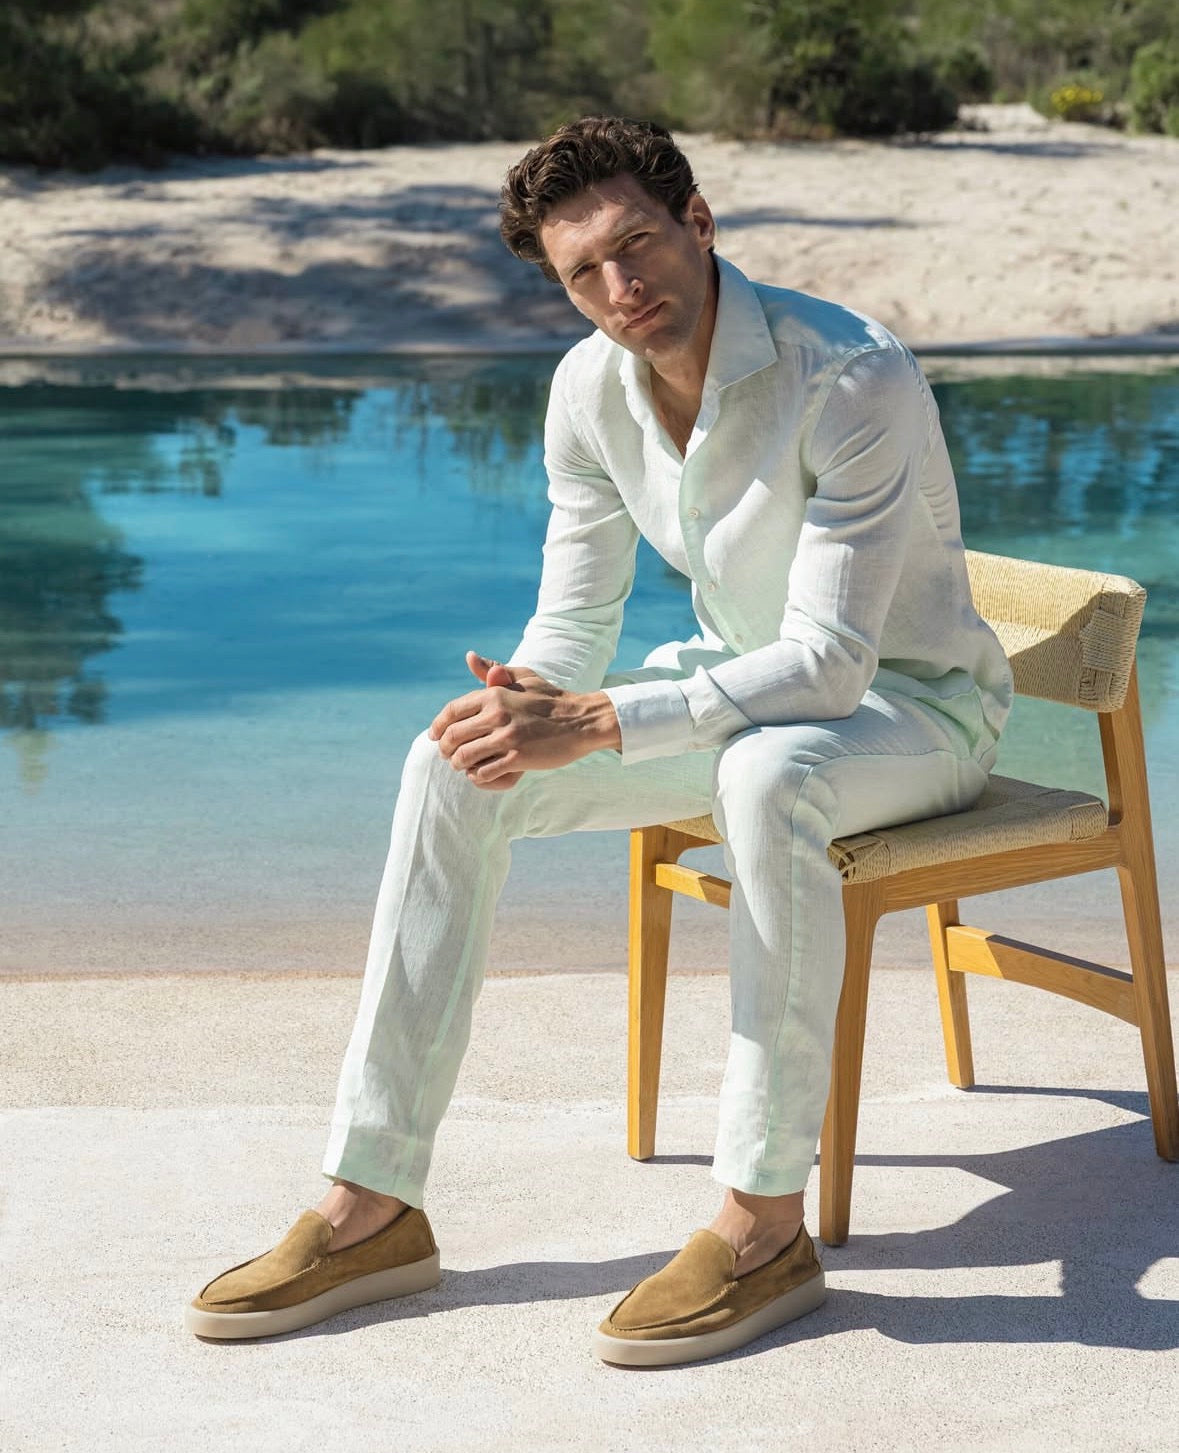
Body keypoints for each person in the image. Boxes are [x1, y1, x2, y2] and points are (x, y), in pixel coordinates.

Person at [184, 116, 1013, 1365]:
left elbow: (834, 665)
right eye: (585, 272)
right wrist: (529, 698)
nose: (622, 286)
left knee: (769, 773)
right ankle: (372, 1202)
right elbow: (576, 620)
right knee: (453, 764)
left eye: (638, 245)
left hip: (915, 712)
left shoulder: (852, 374)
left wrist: (599, 721)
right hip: (742, 691)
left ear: (699, 223)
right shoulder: (586, 389)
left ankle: (761, 1225)